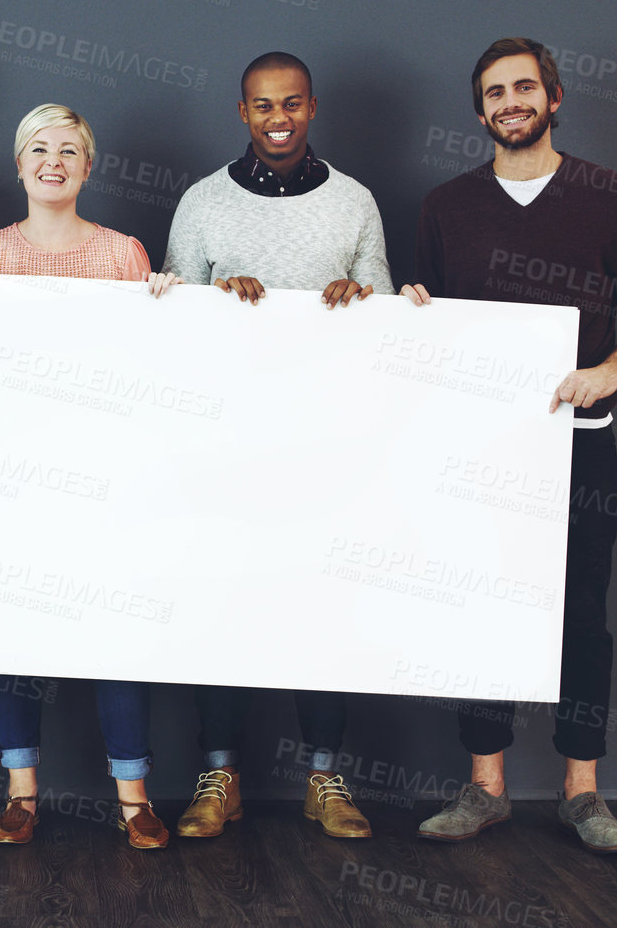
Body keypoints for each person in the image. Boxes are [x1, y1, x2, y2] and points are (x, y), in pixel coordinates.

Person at [405, 37, 617, 854]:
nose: (509, 102)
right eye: (494, 91)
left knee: (581, 613)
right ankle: (484, 788)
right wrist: (414, 311)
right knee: (476, 600)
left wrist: (612, 367)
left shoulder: (607, 194)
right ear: (479, 110)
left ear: (553, 98)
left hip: (578, 442)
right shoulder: (445, 205)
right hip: (480, 447)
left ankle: (582, 793)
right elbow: (431, 320)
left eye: (525, 87)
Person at [161, 52, 392, 840]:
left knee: (324, 606)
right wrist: (215, 304)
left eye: (291, 103)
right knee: (222, 601)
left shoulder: (355, 201)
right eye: (262, 106)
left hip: (328, 446)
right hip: (225, 445)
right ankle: (217, 774)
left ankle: (324, 775)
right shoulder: (201, 202)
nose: (278, 118)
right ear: (242, 114)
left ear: (312, 107)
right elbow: (170, 318)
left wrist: (361, 301)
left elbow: (387, 314)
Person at [0, 103, 179, 850]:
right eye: (38, 149)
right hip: (13, 479)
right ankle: (20, 792)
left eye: (69, 150)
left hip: (104, 478)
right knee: (14, 639)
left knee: (114, 632)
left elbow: (152, 367)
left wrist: (172, 309)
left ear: (88, 166)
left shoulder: (123, 256)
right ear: (18, 165)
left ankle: (133, 796)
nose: (53, 160)